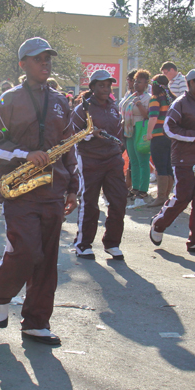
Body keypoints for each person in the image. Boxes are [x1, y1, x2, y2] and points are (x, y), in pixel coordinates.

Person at [0, 37, 79, 345]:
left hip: (52, 190)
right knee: (26, 251)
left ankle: (36, 321)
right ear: (23, 64)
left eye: (48, 57)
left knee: (47, 260)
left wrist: (73, 189)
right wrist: (24, 154)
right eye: (38, 58)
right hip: (19, 188)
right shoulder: (8, 99)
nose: (45, 63)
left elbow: (69, 148)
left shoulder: (62, 101)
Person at [150, 68, 195, 254]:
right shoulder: (180, 104)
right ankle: (159, 223)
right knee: (182, 198)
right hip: (183, 159)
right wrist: (193, 136)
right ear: (191, 83)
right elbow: (169, 129)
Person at [71, 69, 127, 261]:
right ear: (92, 87)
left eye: (108, 85)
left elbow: (118, 133)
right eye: (101, 85)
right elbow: (72, 136)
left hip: (113, 159)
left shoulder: (113, 107)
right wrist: (90, 133)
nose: (105, 88)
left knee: (119, 201)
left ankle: (112, 243)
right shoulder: (82, 109)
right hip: (90, 160)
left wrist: (119, 153)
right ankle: (83, 244)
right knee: (90, 203)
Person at [145, 75, 174, 208]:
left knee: (160, 167)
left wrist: (149, 133)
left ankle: (161, 197)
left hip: (158, 136)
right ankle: (167, 196)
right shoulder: (171, 99)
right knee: (168, 167)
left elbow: (153, 117)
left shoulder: (155, 99)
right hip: (170, 136)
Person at [126, 70, 152, 206]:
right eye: (135, 81)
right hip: (130, 129)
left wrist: (139, 104)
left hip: (141, 129)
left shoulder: (148, 98)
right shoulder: (130, 95)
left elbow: (148, 115)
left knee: (143, 160)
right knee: (133, 160)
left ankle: (143, 189)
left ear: (146, 83)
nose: (136, 84)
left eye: (140, 82)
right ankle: (135, 187)